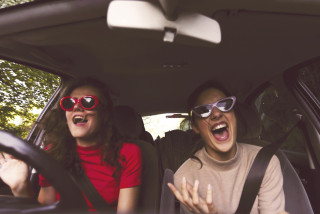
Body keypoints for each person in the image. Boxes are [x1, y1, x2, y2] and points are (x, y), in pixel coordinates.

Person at [0, 78, 142, 213]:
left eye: (88, 102)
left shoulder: (128, 152)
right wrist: (21, 187)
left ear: (104, 114)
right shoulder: (52, 153)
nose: (77, 107)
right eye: (69, 103)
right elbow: (43, 210)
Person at [167, 81, 286, 214]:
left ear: (234, 115)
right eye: (204, 110)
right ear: (195, 127)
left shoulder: (266, 162)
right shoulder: (185, 179)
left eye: (224, 104)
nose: (216, 113)